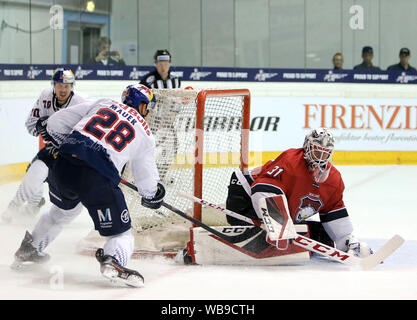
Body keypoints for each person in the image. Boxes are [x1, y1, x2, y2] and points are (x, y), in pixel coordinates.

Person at [11, 84, 165, 288]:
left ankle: (30, 249)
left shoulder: (104, 102)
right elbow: (147, 184)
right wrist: (154, 195)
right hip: (96, 177)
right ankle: (114, 260)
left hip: (63, 166)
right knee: (121, 233)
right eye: (148, 107)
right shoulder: (145, 133)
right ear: (143, 106)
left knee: (63, 211)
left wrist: (74, 147)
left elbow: (55, 122)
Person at [180, 128, 373, 265]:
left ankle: (348, 245)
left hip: (285, 211)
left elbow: (334, 214)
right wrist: (278, 224)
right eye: (316, 151)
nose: (319, 158)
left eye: (325, 154)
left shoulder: (334, 180)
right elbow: (263, 188)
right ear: (307, 147)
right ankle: (202, 247)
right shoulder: (291, 161)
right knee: (264, 237)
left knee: (313, 234)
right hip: (245, 195)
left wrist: (346, 240)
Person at [1, 68, 88, 223]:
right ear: (53, 85)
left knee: (70, 199)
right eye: (59, 85)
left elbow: (89, 131)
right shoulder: (45, 97)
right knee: (33, 174)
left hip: (71, 156)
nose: (63, 89)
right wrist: (42, 126)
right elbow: (31, 125)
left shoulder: (81, 103)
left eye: (67, 86)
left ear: (72, 86)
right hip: (50, 151)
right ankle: (16, 209)